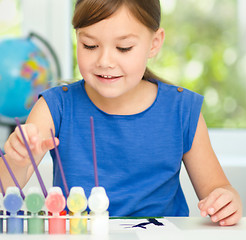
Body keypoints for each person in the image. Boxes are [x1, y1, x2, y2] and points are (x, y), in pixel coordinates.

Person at [0, 0, 242, 225]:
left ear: (154, 43)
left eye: (124, 48)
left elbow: (217, 190)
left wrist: (225, 201)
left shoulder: (182, 111)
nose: (105, 61)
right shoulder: (55, 107)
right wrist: (16, 160)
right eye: (90, 45)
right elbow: (4, 189)